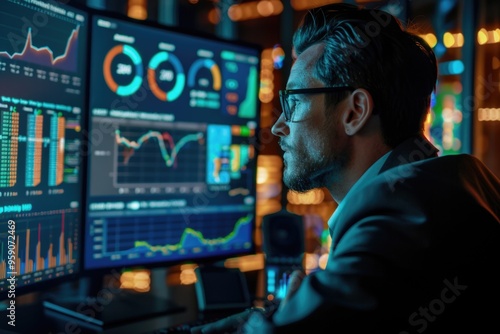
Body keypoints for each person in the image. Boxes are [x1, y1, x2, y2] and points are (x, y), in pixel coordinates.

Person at [192, 3, 500, 333]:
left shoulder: (397, 219)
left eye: (293, 101)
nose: (280, 125)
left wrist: (285, 318)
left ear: (355, 112)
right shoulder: (452, 186)